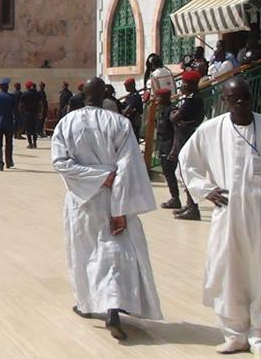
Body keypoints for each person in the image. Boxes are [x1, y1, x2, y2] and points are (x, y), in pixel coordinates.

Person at [51, 77, 163, 341]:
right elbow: (129, 168)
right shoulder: (121, 124)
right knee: (114, 253)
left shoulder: (66, 123)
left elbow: (60, 162)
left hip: (82, 201)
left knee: (86, 253)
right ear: (105, 94)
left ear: (83, 94)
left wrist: (96, 176)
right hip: (114, 198)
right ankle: (112, 306)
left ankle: (88, 304)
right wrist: (118, 205)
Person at [178, 78, 261, 357]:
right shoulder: (210, 130)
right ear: (225, 101)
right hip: (228, 215)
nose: (242, 102)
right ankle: (234, 335)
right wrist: (205, 191)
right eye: (235, 98)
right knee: (229, 274)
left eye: (245, 97)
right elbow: (187, 162)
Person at [169, 69, 206, 220]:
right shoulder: (189, 98)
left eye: (184, 83)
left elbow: (174, 117)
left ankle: (193, 208)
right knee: (182, 174)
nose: (181, 86)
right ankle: (189, 204)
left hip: (187, 141)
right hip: (182, 139)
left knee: (187, 174)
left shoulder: (193, 100)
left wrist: (175, 115)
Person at [152, 88, 183, 213]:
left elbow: (176, 131)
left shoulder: (172, 111)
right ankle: (174, 197)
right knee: (167, 172)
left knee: (170, 173)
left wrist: (173, 149)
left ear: (165, 98)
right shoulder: (163, 110)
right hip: (163, 144)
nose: (157, 100)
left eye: (159, 97)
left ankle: (175, 198)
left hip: (169, 145)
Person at [19, 81, 41, 149]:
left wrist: (21, 113)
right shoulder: (37, 94)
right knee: (34, 129)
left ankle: (30, 144)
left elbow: (21, 105)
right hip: (35, 113)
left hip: (27, 113)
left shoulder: (24, 94)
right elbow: (40, 104)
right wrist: (39, 112)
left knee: (28, 129)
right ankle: (35, 143)